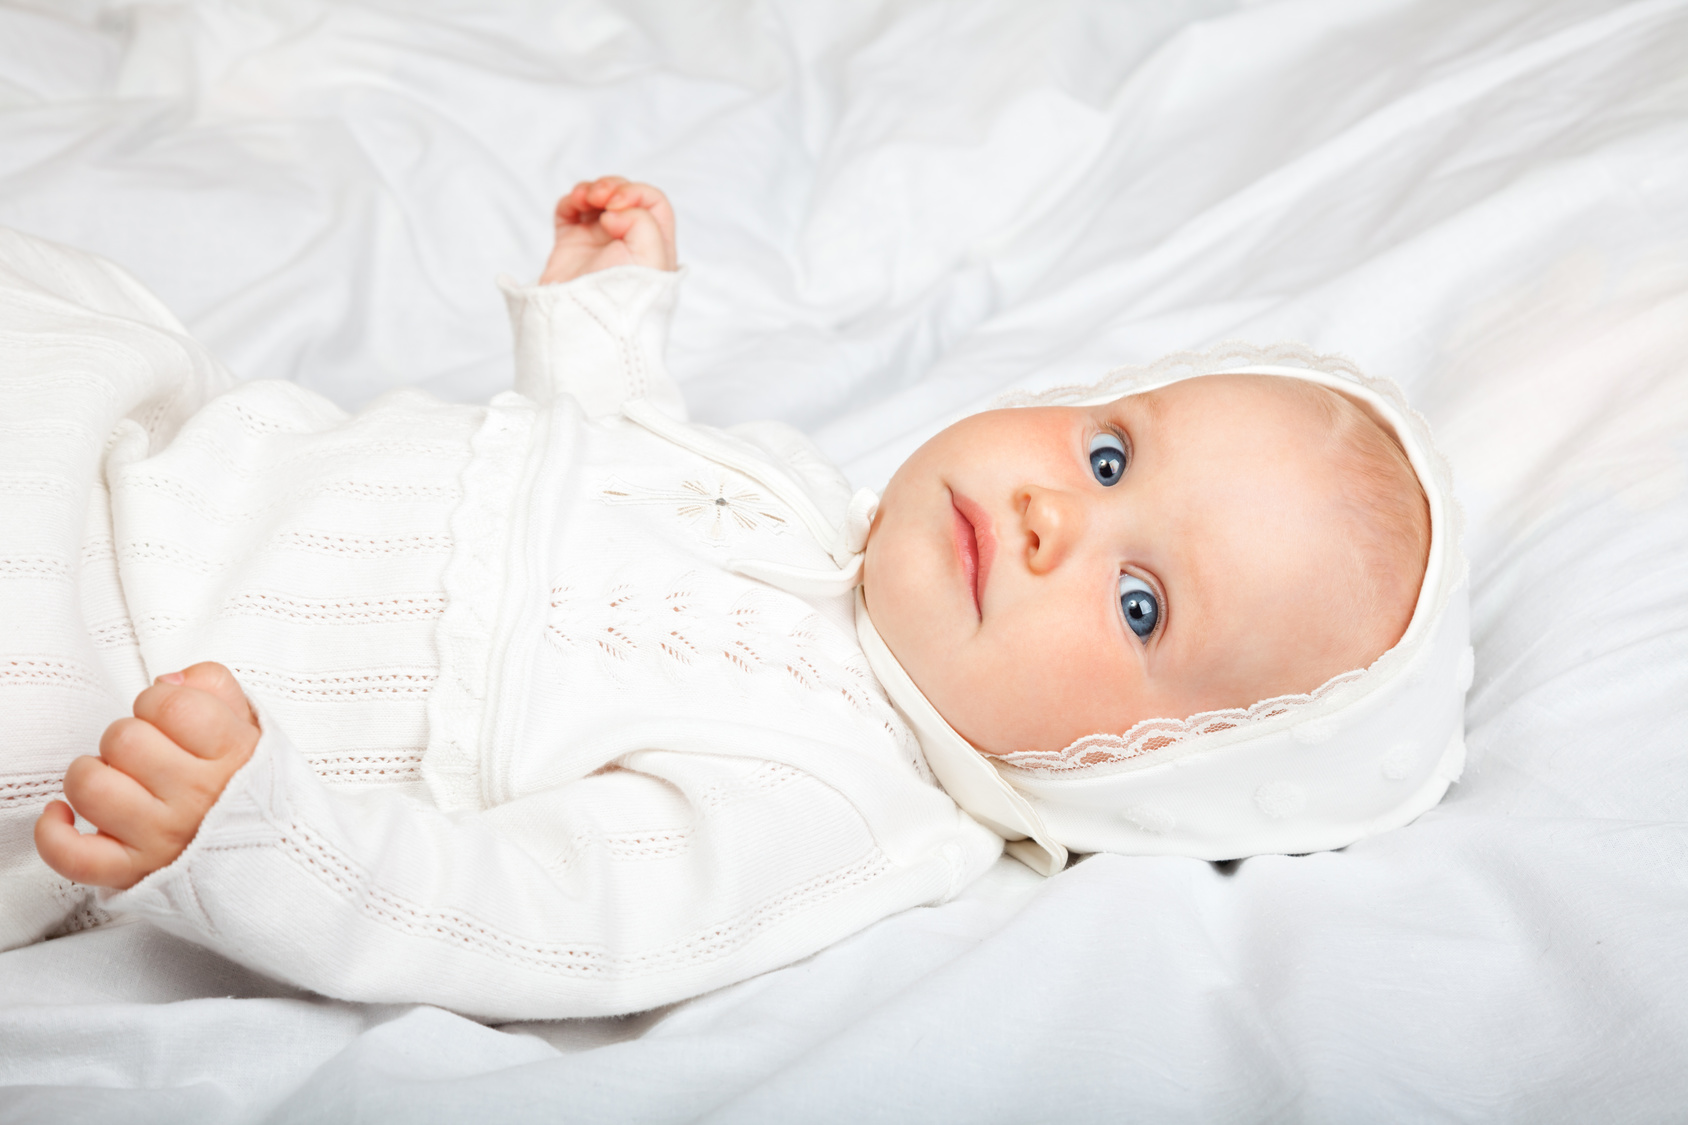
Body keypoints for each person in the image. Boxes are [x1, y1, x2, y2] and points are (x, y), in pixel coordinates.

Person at [1, 178, 1470, 1018]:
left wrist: (255, 831)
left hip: (97, 669)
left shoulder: (838, 811)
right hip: (157, 458)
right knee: (73, 304)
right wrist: (603, 323)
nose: (1051, 515)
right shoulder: (809, 496)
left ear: (1150, 779)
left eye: (1141, 604)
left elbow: (532, 916)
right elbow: (620, 456)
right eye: (1108, 453)